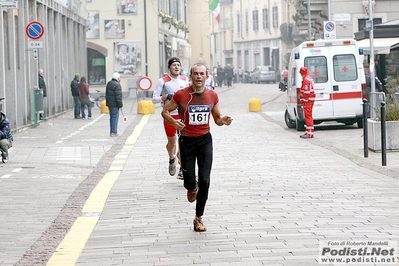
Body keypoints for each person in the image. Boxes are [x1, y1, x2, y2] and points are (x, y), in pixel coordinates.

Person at [161, 63, 233, 232]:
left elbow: (217, 119)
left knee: (206, 180)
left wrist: (224, 120)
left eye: (202, 74)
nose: (199, 76)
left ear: (207, 77)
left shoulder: (212, 96)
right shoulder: (181, 95)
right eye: (196, 74)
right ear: (191, 76)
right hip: (186, 141)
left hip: (205, 140)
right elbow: (165, 111)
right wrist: (173, 121)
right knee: (188, 181)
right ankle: (192, 187)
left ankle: (198, 218)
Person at [152, 57, 189, 179]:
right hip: (169, 116)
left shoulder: (185, 79)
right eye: (174, 65)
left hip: (182, 115)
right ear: (169, 68)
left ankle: (182, 170)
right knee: (172, 142)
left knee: (183, 142)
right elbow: (154, 99)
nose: (177, 67)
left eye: (178, 65)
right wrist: (165, 97)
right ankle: (172, 158)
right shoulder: (163, 81)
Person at [299, 67, 316, 138]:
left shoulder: (306, 80)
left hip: (308, 100)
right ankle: (308, 130)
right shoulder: (308, 78)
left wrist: (303, 100)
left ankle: (310, 133)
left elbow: (306, 92)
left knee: (308, 115)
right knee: (308, 115)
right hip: (310, 99)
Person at [106, 72, 123, 137]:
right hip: (115, 104)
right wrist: (120, 105)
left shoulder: (109, 83)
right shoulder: (117, 85)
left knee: (112, 117)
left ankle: (112, 131)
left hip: (110, 104)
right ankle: (114, 131)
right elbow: (118, 96)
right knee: (115, 117)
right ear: (118, 78)